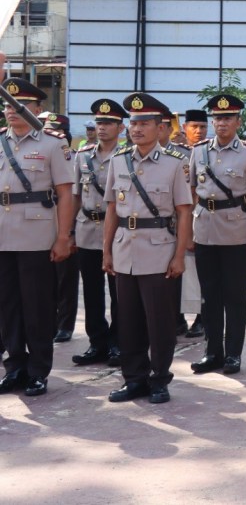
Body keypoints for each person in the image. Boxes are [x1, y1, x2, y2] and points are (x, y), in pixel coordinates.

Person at [103, 92, 193, 404]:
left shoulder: (175, 164)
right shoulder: (118, 160)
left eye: (144, 123)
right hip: (124, 250)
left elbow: (184, 212)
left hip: (159, 251)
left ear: (160, 127)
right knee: (128, 321)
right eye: (133, 123)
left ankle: (159, 379)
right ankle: (134, 379)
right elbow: (112, 208)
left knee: (160, 323)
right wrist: (106, 250)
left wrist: (179, 256)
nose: (137, 129)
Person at [0, 73, 75, 398]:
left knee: (37, 306)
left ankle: (38, 371)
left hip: (37, 234)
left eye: (20, 105)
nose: (11, 110)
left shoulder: (52, 143)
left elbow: (65, 193)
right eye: (7, 105)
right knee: (7, 306)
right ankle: (15, 366)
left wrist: (63, 236)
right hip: (2, 235)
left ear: (36, 108)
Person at [189, 94, 246, 376]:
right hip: (204, 230)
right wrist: (188, 232)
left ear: (238, 122)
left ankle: (233, 354)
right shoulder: (199, 152)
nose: (221, 123)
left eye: (227, 118)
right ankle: (212, 352)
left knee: (234, 295)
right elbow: (191, 193)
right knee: (209, 296)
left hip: (236, 231)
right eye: (217, 118)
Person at [70, 99, 129, 368]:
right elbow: (75, 196)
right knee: (92, 291)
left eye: (108, 123)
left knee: (119, 293)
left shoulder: (127, 156)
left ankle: (118, 342)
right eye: (99, 122)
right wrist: (68, 231)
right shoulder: (82, 156)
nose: (102, 127)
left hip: (117, 231)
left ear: (121, 127)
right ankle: (97, 343)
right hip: (86, 229)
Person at [158, 111, 202, 339]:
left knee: (190, 273)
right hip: (157, 225)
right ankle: (175, 319)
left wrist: (191, 227)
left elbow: (193, 192)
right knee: (164, 275)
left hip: (182, 221)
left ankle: (199, 318)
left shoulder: (185, 155)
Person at [45, 113, 80, 344]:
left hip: (67, 222)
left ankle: (65, 324)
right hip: (41, 221)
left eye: (56, 130)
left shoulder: (75, 158)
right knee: (45, 279)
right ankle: (48, 322)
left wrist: (70, 232)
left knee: (66, 278)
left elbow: (76, 197)